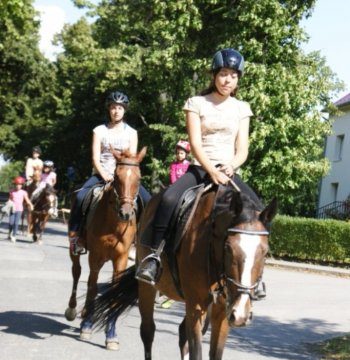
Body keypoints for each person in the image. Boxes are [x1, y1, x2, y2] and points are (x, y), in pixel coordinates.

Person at [136, 47, 254, 285]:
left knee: (257, 209)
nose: (227, 79)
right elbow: (195, 143)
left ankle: (254, 270)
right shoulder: (197, 103)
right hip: (201, 169)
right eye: (223, 74)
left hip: (228, 171)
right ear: (214, 75)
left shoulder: (242, 108)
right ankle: (153, 257)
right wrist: (211, 170)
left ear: (238, 78)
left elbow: (243, 149)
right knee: (168, 199)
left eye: (233, 75)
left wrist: (231, 165)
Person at [68, 90, 151, 255]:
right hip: (102, 174)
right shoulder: (99, 130)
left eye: (119, 108)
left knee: (148, 201)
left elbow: (132, 161)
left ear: (125, 110)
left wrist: (121, 177)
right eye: (113, 107)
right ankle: (76, 237)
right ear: (109, 109)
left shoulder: (132, 133)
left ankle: (141, 240)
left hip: (124, 178)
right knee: (79, 196)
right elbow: (95, 158)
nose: (116, 111)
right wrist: (104, 175)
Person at [8, 176, 34, 242]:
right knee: (11, 223)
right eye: (17, 184)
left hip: (19, 210)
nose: (18, 186)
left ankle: (14, 236)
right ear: (15, 185)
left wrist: (31, 205)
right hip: (12, 209)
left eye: (19, 185)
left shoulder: (24, 192)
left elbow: (27, 200)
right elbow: (10, 200)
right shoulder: (12, 192)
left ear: (22, 185)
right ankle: (10, 233)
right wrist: (7, 204)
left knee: (16, 223)